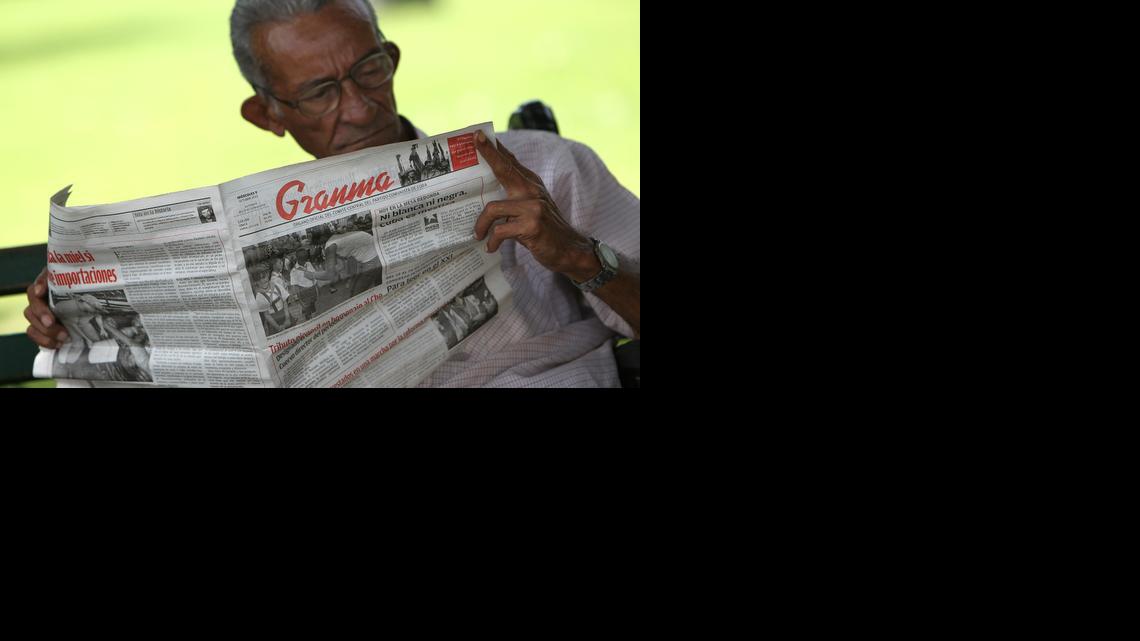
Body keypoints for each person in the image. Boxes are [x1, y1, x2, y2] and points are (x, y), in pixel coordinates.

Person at [24, 0, 640, 387]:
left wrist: (582, 258)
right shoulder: (248, 237)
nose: (359, 106)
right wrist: (79, 322)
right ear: (267, 115)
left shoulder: (543, 169)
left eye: (369, 69)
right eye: (320, 92)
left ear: (392, 58)